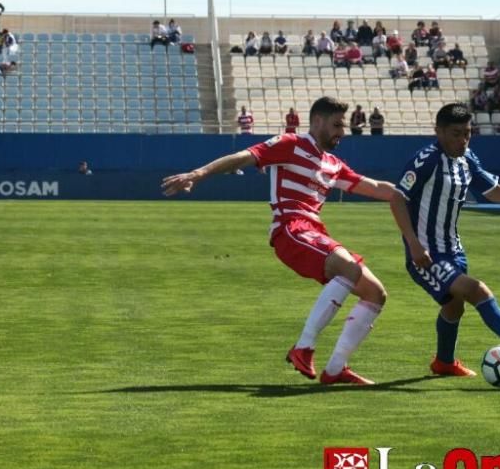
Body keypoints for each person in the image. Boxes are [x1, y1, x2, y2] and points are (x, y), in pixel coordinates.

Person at [162, 97, 406, 385]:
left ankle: (336, 368)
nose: (342, 131)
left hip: (315, 234)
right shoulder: (291, 144)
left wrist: (409, 194)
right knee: (349, 268)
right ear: (317, 122)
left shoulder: (334, 164)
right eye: (337, 124)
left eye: (344, 125)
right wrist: (198, 174)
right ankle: (303, 347)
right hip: (291, 229)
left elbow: (376, 187)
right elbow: (244, 156)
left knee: (375, 293)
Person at [389, 103, 500, 379]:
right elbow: (397, 198)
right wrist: (413, 244)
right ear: (439, 132)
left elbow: (493, 191)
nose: (463, 140)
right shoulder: (427, 159)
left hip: (454, 251)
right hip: (427, 255)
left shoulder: (467, 159)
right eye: (456, 134)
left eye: (468, 133)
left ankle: (444, 362)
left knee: (454, 307)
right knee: (477, 289)